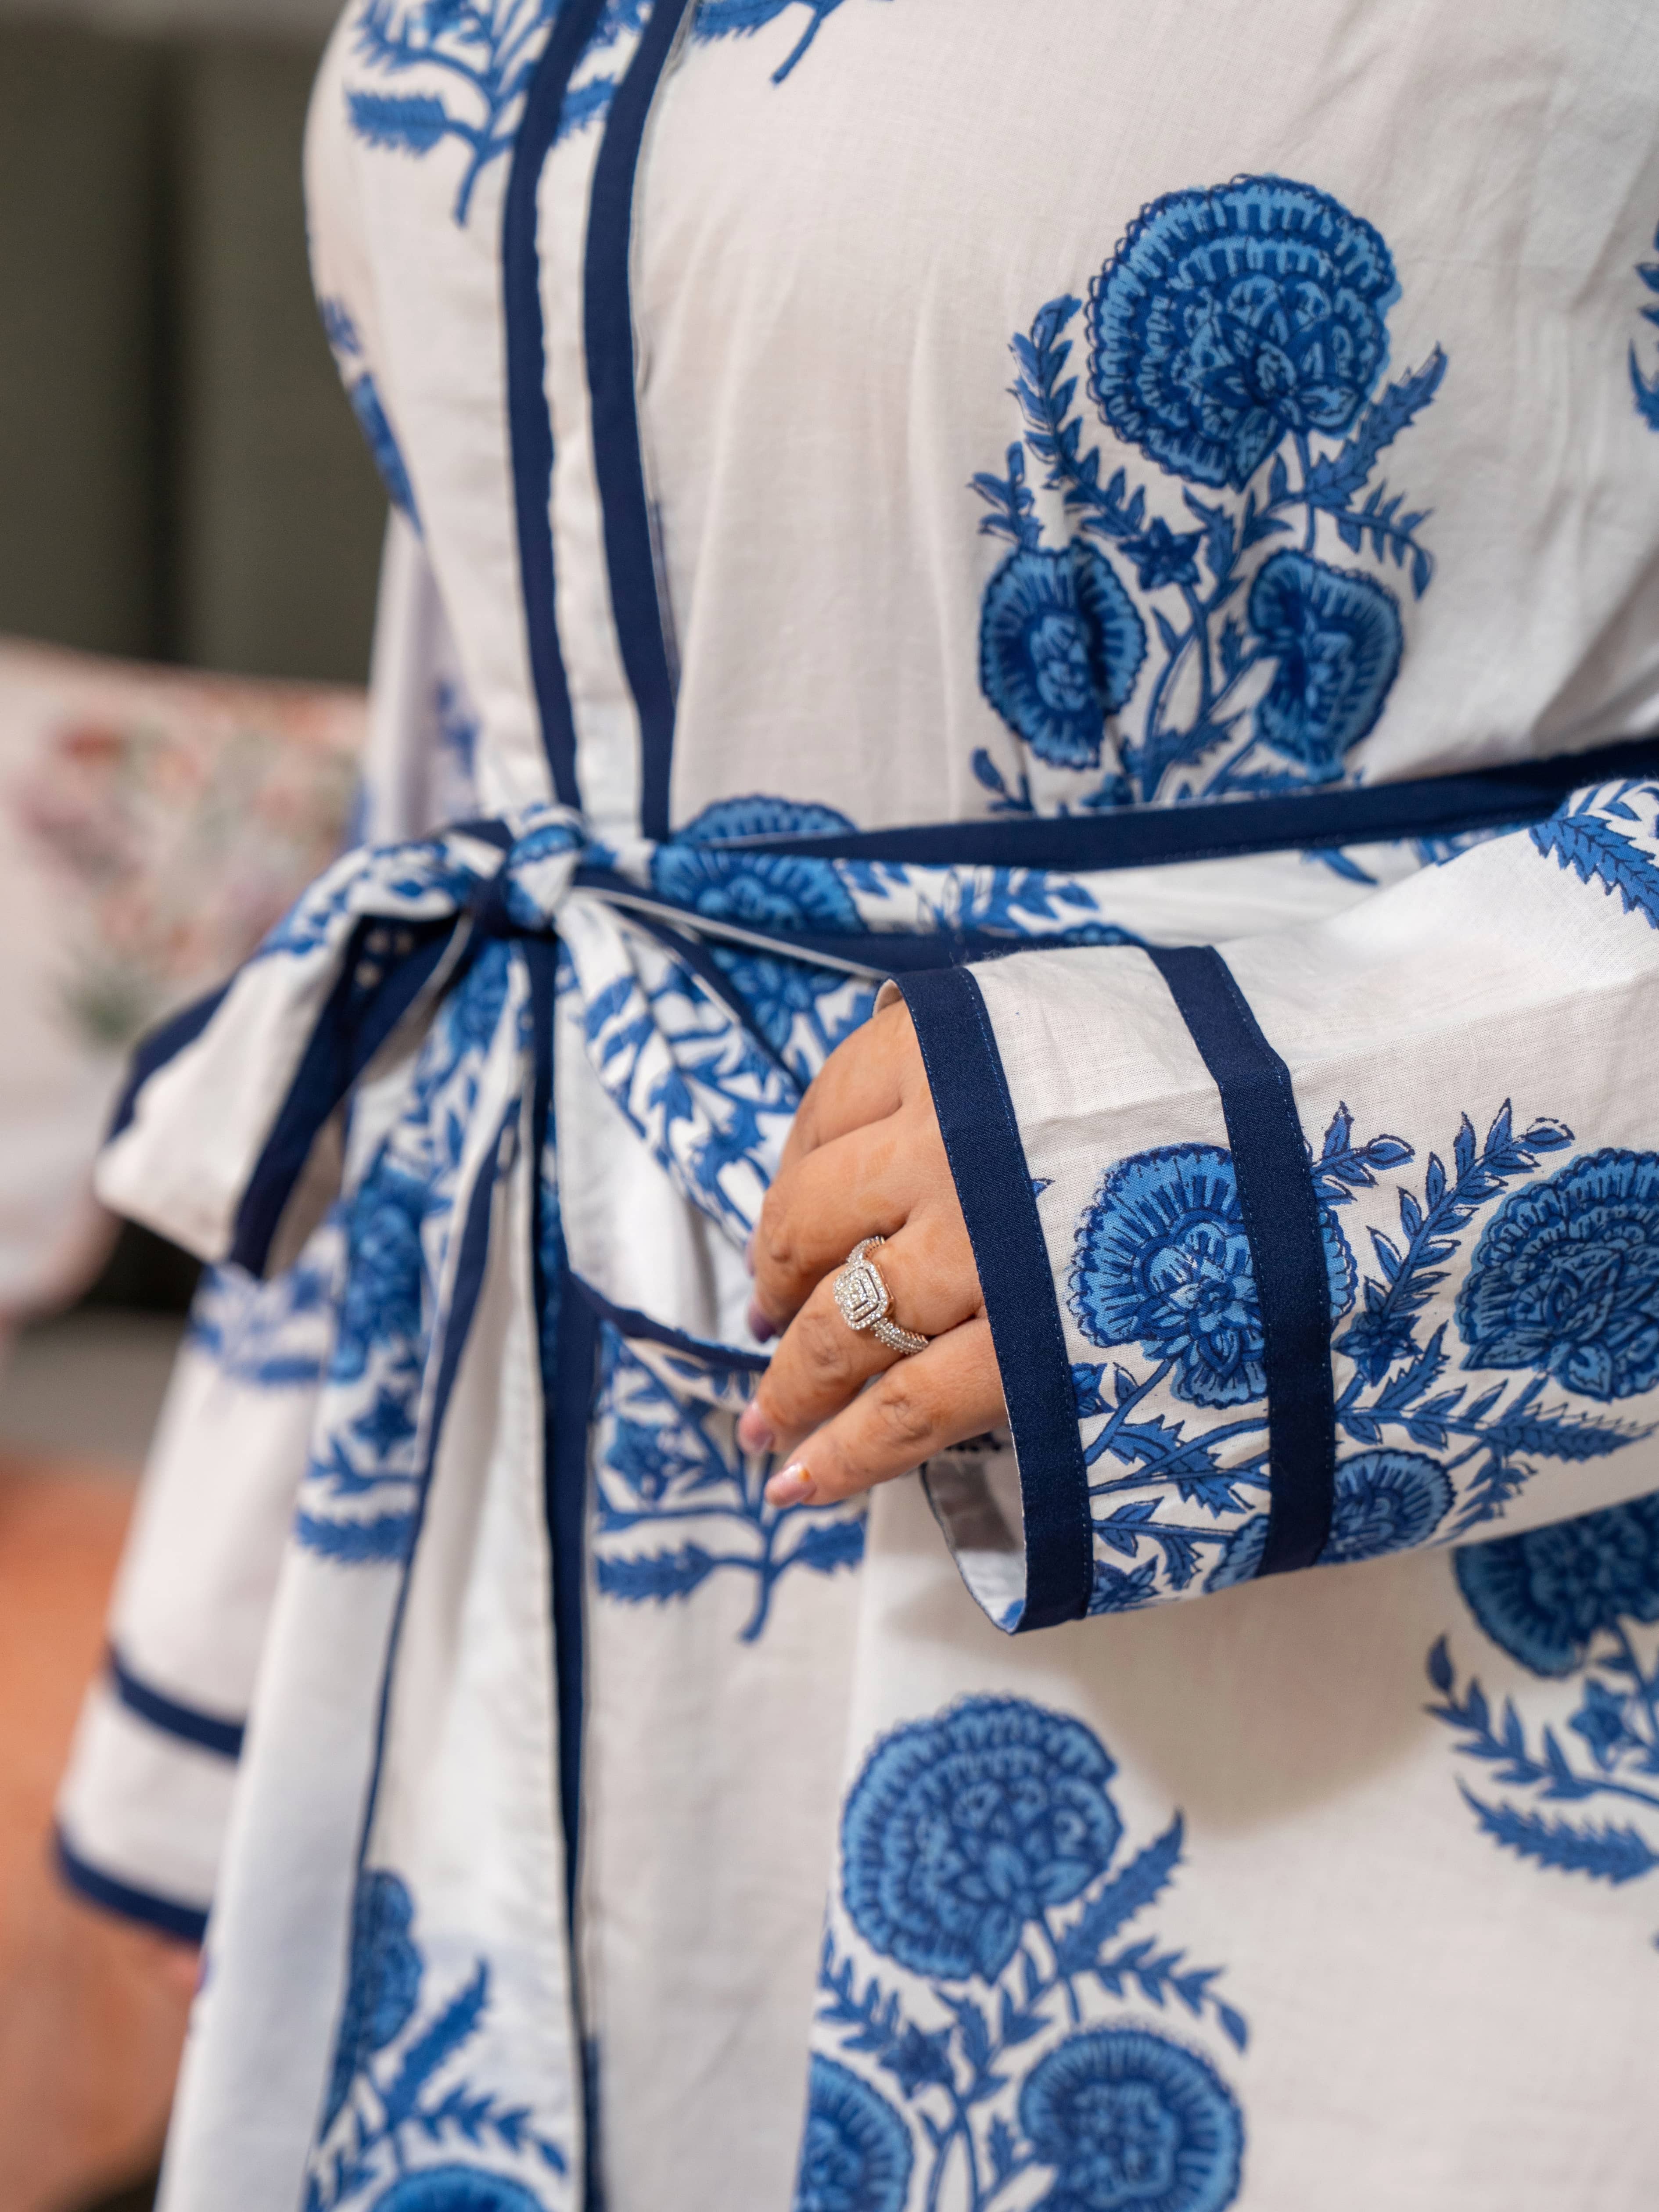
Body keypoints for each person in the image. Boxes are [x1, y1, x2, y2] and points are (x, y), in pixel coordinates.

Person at [53, 3, 1659, 2206]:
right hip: (544, 1579)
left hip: (1335, 1681)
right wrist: (229, 1675)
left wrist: (1260, 1160)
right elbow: (507, 774)